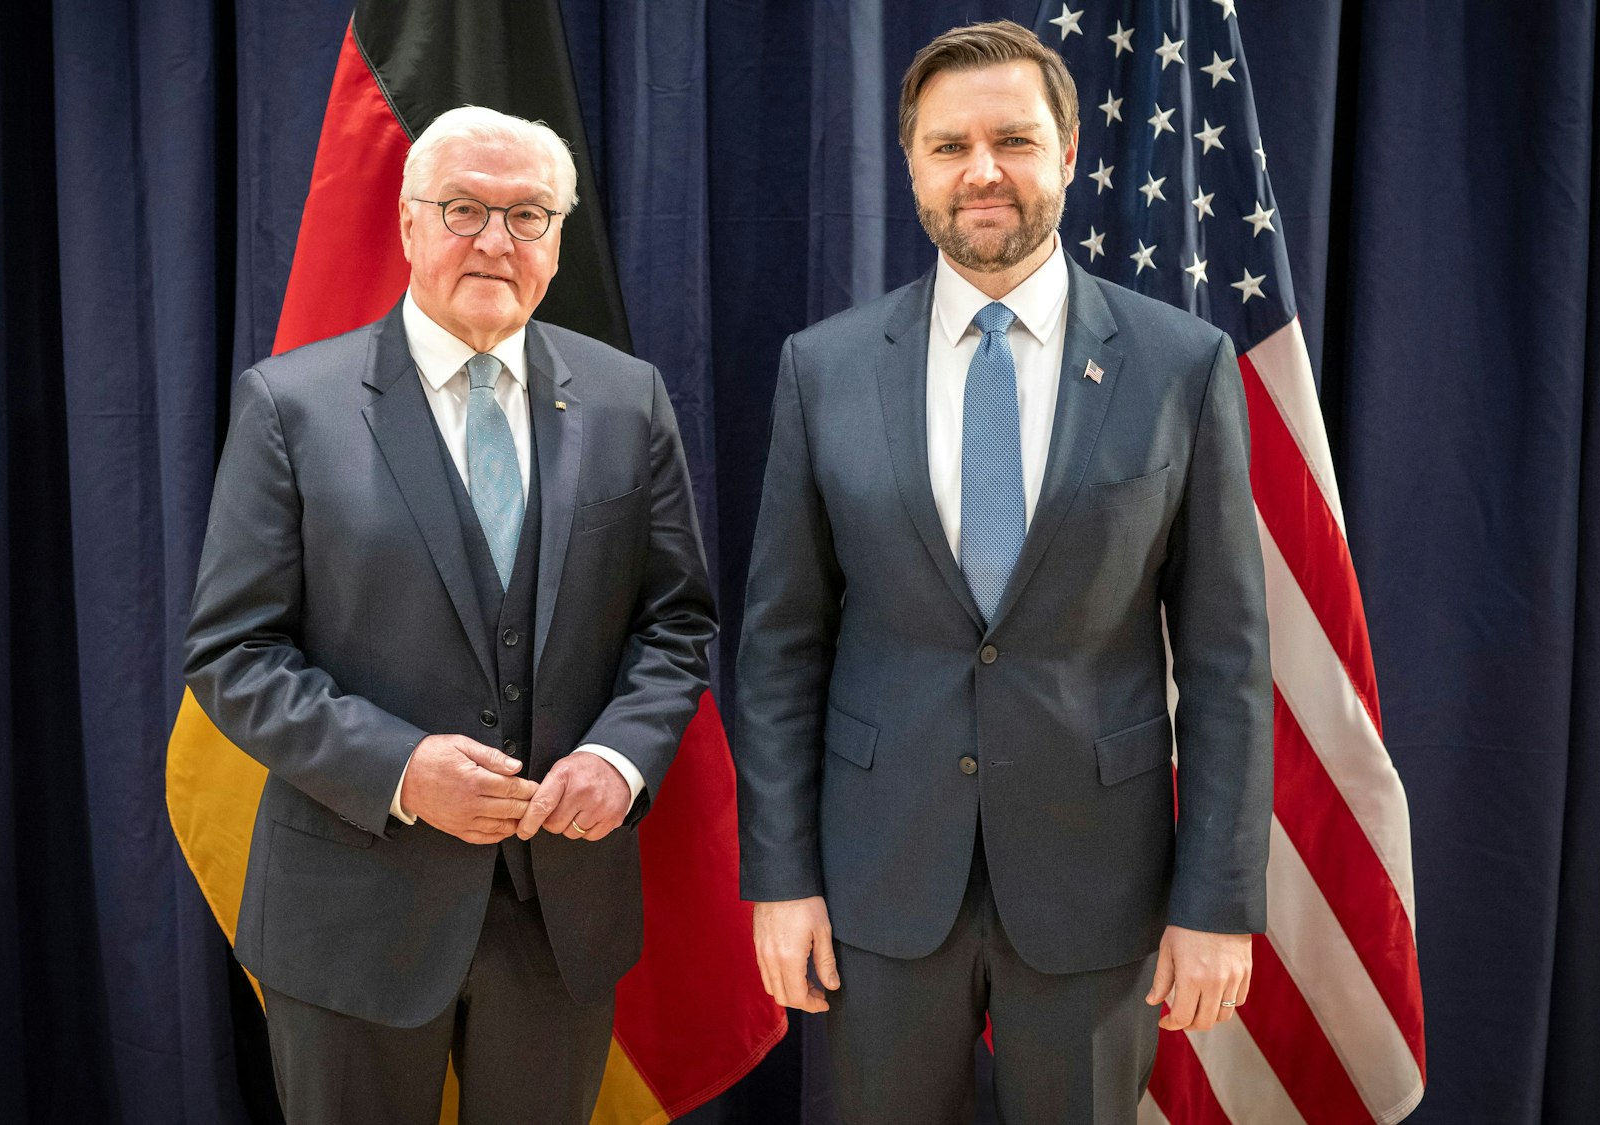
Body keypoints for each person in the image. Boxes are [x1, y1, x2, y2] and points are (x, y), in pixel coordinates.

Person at [733, 20, 1272, 1124]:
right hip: (875, 885)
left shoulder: (1180, 366)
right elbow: (780, 650)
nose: (981, 170)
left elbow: (1225, 661)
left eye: (1014, 140)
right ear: (912, 164)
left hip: (1095, 888)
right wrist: (780, 878)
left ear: (1068, 155)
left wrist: (1216, 902)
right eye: (948, 145)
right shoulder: (821, 370)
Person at [182, 105, 715, 1125]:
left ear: (556, 243)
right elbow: (233, 653)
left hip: (558, 918)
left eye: (525, 216)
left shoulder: (625, 400)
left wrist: (621, 760)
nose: (493, 240)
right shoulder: (290, 406)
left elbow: (676, 621)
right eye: (463, 208)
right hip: (353, 913)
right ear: (408, 224)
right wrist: (399, 769)